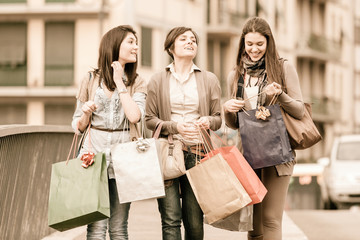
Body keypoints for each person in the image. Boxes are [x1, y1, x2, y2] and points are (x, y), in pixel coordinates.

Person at [223, 17, 304, 240]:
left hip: (279, 153)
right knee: (253, 224)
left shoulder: (283, 68)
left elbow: (299, 110)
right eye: (249, 44)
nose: (254, 49)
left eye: (260, 44)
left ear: (269, 43)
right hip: (248, 153)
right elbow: (234, 124)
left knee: (270, 219)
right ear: (243, 43)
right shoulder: (236, 74)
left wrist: (280, 95)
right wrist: (228, 109)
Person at [145, 26, 222, 240]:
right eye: (183, 39)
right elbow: (149, 120)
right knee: (170, 220)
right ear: (171, 47)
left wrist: (208, 120)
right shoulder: (158, 80)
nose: (190, 42)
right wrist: (175, 127)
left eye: (193, 40)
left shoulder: (209, 79)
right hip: (168, 153)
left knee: (195, 223)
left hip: (197, 153)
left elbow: (218, 118)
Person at [71, 25, 146, 240]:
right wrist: (85, 112)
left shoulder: (137, 81)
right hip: (92, 158)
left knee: (119, 227)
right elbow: (77, 125)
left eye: (136, 42)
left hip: (124, 159)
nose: (136, 47)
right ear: (115, 45)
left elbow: (134, 116)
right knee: (95, 228)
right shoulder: (90, 78)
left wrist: (120, 82)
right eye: (130, 42)